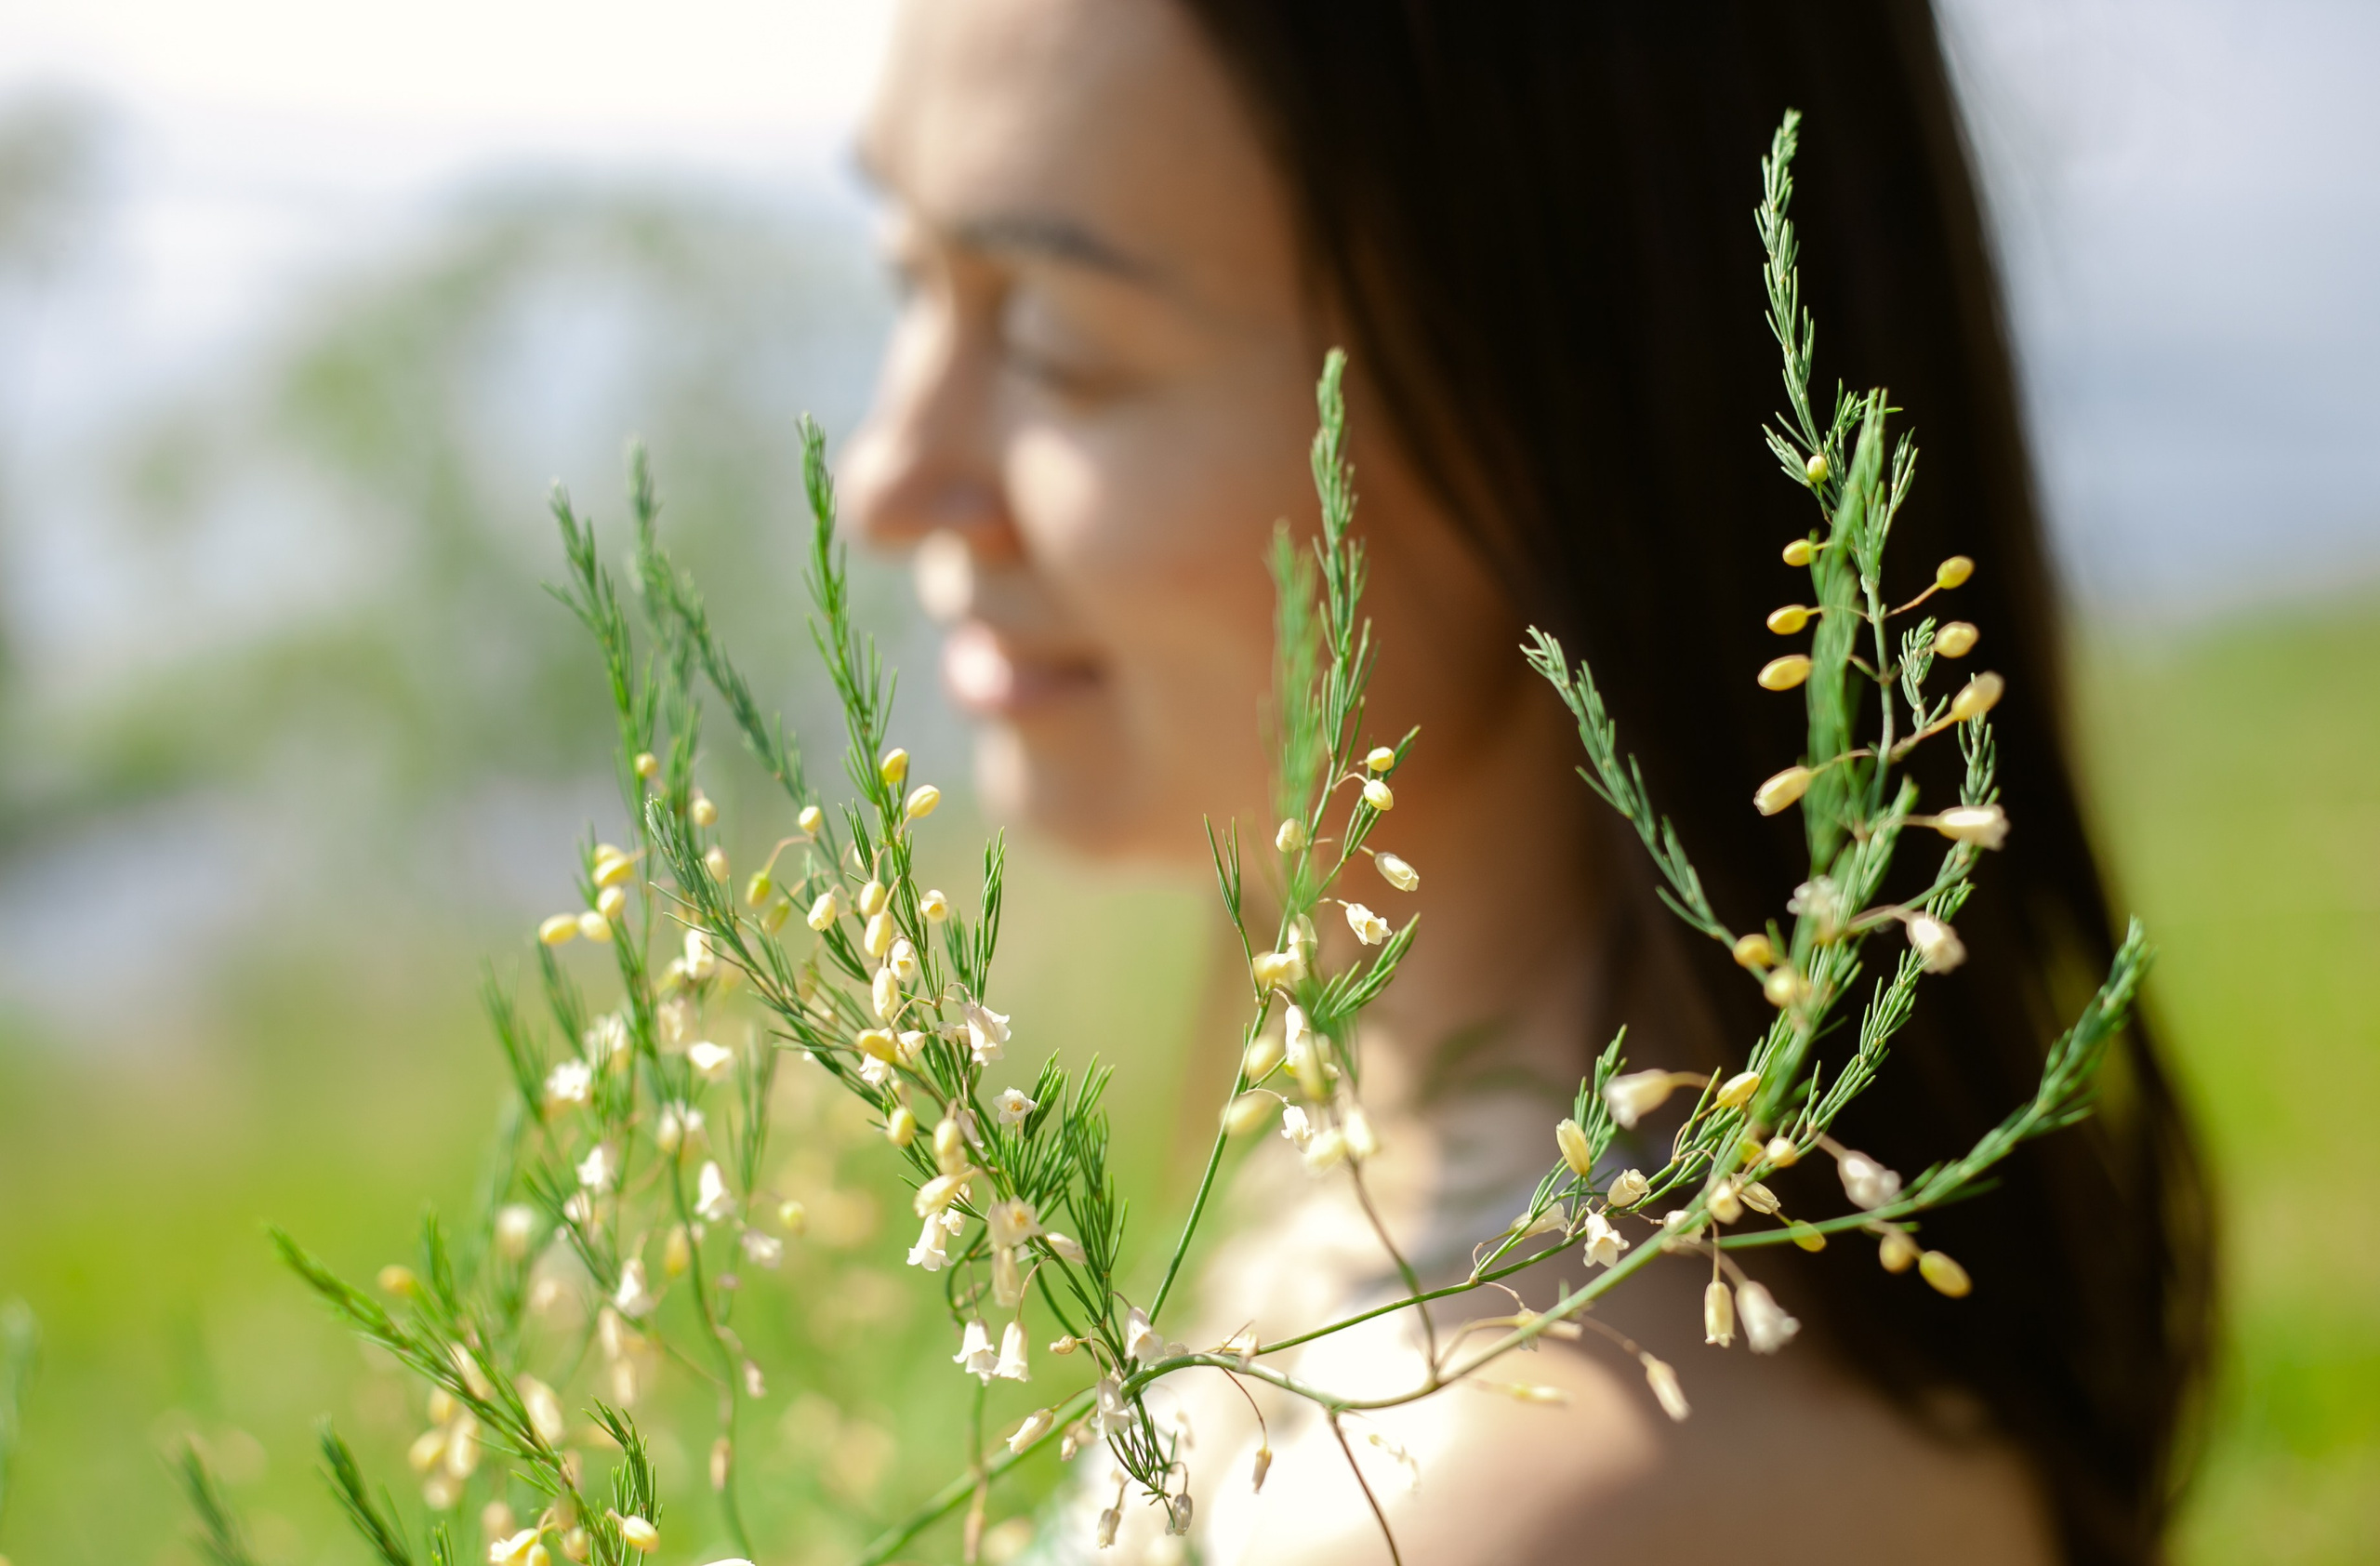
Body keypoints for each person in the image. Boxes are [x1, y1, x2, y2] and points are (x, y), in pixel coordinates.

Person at [841, 3, 2210, 1562]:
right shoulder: (1363, 1171)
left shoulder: (1575, 1500)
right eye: (901, 271)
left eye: (1058, 347)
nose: (889, 476)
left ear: (1552, 385)